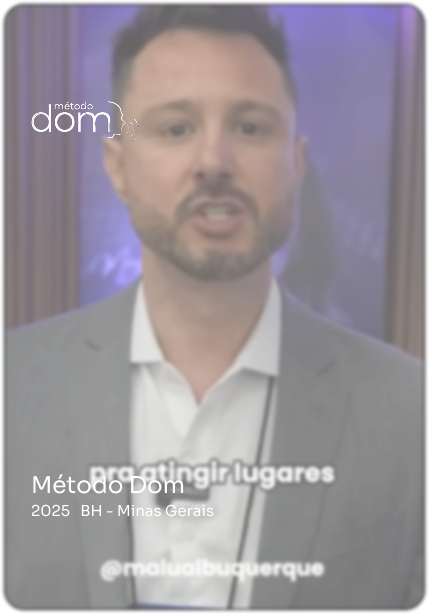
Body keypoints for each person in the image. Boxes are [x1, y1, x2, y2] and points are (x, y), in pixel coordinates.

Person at [5, 6, 423, 610]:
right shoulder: (14, 386)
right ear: (117, 166)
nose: (214, 162)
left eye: (250, 128)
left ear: (296, 165)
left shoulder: (409, 413)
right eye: (176, 129)